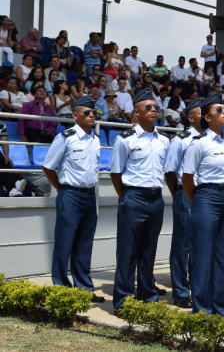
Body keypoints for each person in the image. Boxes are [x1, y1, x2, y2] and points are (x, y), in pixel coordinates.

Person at [110, 89, 170, 316]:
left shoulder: (164, 140)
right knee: (127, 251)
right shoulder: (125, 139)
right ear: (136, 113)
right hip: (133, 196)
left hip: (156, 198)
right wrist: (126, 197)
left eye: (155, 107)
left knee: (149, 250)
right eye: (148, 107)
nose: (154, 110)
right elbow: (116, 173)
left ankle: (148, 295)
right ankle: (123, 299)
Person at [180, 91, 224, 316]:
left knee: (223, 256)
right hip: (206, 197)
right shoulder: (199, 144)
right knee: (203, 256)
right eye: (219, 110)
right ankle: (202, 310)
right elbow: (187, 178)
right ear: (207, 118)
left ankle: (221, 308)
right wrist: (199, 201)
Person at [42, 96, 105, 303]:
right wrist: (62, 189)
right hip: (70, 194)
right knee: (64, 241)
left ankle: (84, 288)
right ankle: (61, 287)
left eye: (93, 112)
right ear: (75, 116)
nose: (91, 116)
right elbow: (48, 167)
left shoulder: (96, 140)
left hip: (89, 195)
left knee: (84, 244)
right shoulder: (65, 137)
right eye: (86, 113)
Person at [164, 97, 204, 309]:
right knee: (182, 244)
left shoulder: (211, 139)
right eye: (201, 112)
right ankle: (180, 291)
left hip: (205, 195)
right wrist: (178, 194)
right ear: (190, 118)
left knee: (200, 244)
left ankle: (197, 287)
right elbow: (170, 172)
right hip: (185, 194)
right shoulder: (180, 140)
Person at [0, 121, 28, 197]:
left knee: (6, 162)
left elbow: (4, 141)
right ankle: (15, 183)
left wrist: (6, 156)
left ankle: (12, 189)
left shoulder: (1, 124)